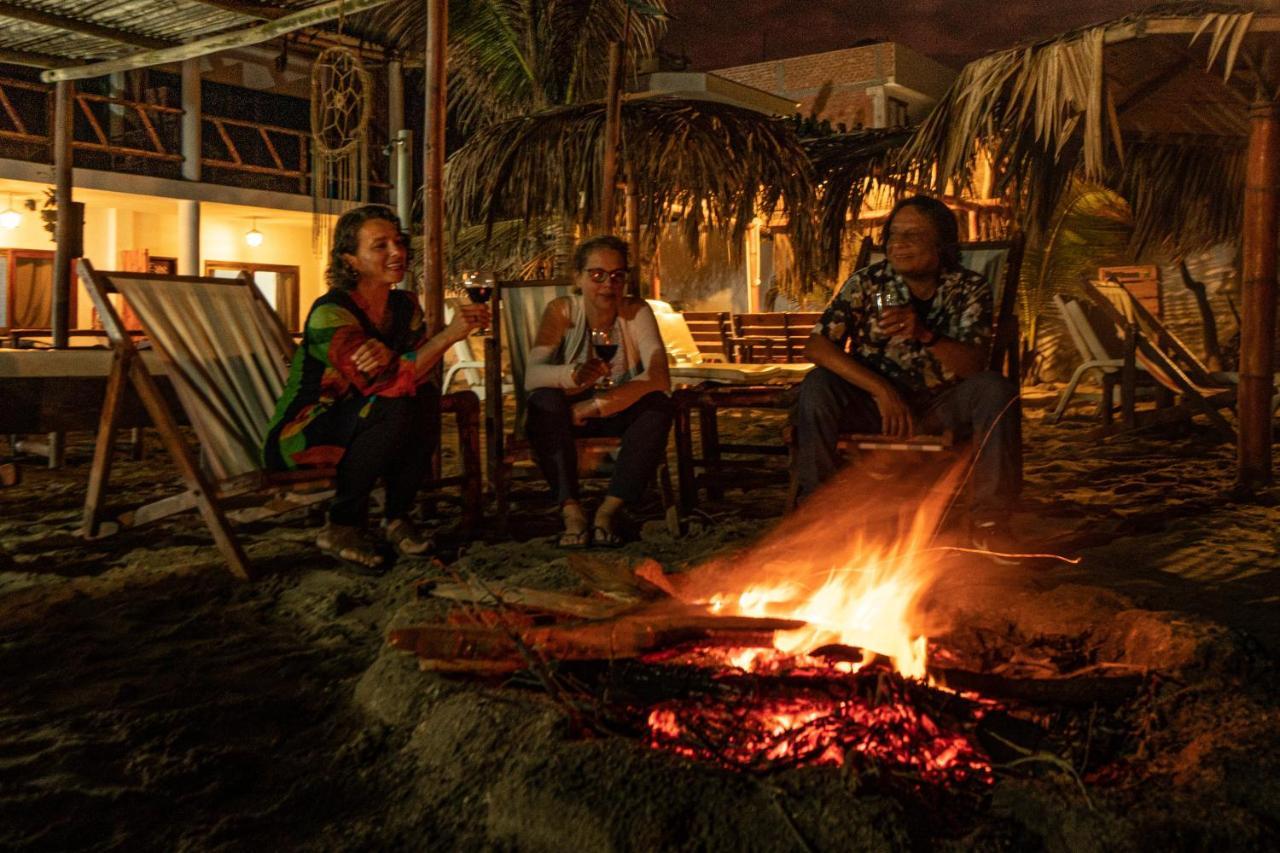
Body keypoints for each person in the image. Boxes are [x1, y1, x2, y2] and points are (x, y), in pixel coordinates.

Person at [262, 204, 488, 570]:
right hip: (308, 431)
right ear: (350, 259)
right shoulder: (330, 313)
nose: (397, 252)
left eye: (398, 242)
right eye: (380, 246)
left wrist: (400, 360)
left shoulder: (404, 306)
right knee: (393, 401)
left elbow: (414, 370)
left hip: (368, 419)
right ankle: (342, 524)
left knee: (424, 397)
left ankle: (396, 517)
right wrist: (450, 335)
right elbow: (389, 380)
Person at [791, 195, 1022, 550]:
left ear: (942, 244)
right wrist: (882, 391)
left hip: (940, 406)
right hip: (877, 408)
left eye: (912, 236)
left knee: (995, 389)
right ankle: (815, 512)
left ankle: (990, 521)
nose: (898, 245)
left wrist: (924, 334)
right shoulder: (868, 284)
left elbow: (974, 364)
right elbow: (817, 346)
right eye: (893, 236)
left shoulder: (968, 288)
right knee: (817, 384)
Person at [525, 235, 674, 547]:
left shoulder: (636, 311)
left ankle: (608, 511)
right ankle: (572, 512)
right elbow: (532, 375)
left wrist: (596, 405)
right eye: (597, 275)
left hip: (614, 409)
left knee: (658, 405)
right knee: (542, 401)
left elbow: (659, 376)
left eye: (617, 275)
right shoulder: (563, 311)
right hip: (566, 417)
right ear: (578, 278)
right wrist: (572, 374)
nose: (608, 284)